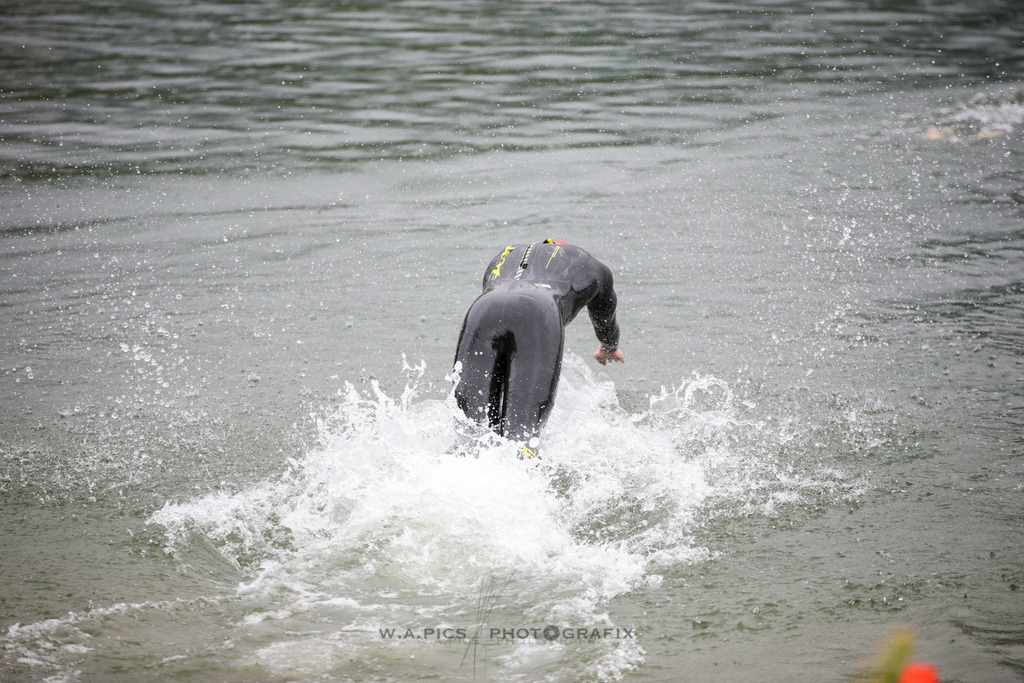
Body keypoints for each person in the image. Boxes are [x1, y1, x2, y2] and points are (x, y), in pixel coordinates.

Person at [452, 240, 625, 459]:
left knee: (472, 434)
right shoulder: (592, 267)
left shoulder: (505, 255)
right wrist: (609, 346)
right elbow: (605, 320)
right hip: (538, 313)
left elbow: (506, 324)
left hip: (482, 310)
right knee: (522, 437)